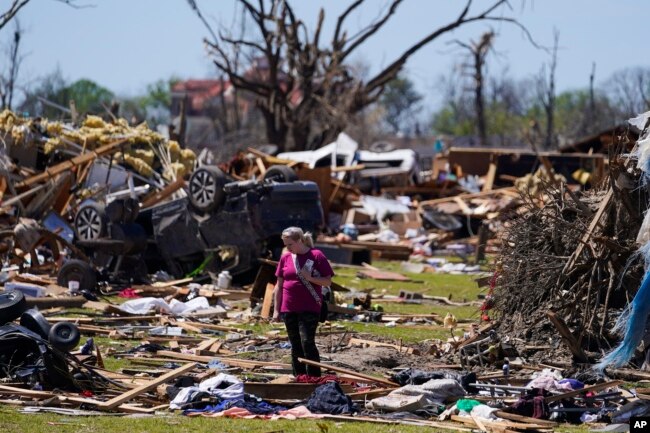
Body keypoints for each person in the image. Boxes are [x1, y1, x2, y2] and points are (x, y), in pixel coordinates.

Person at [273, 226, 334, 377]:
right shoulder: (285, 258)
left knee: (307, 342)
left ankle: (314, 377)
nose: (287, 248)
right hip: (289, 308)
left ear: (299, 240)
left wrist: (310, 278)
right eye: (285, 245)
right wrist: (276, 309)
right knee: (295, 345)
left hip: (309, 307)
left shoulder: (316, 255)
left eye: (290, 244)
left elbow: (327, 282)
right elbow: (279, 286)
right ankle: (299, 377)